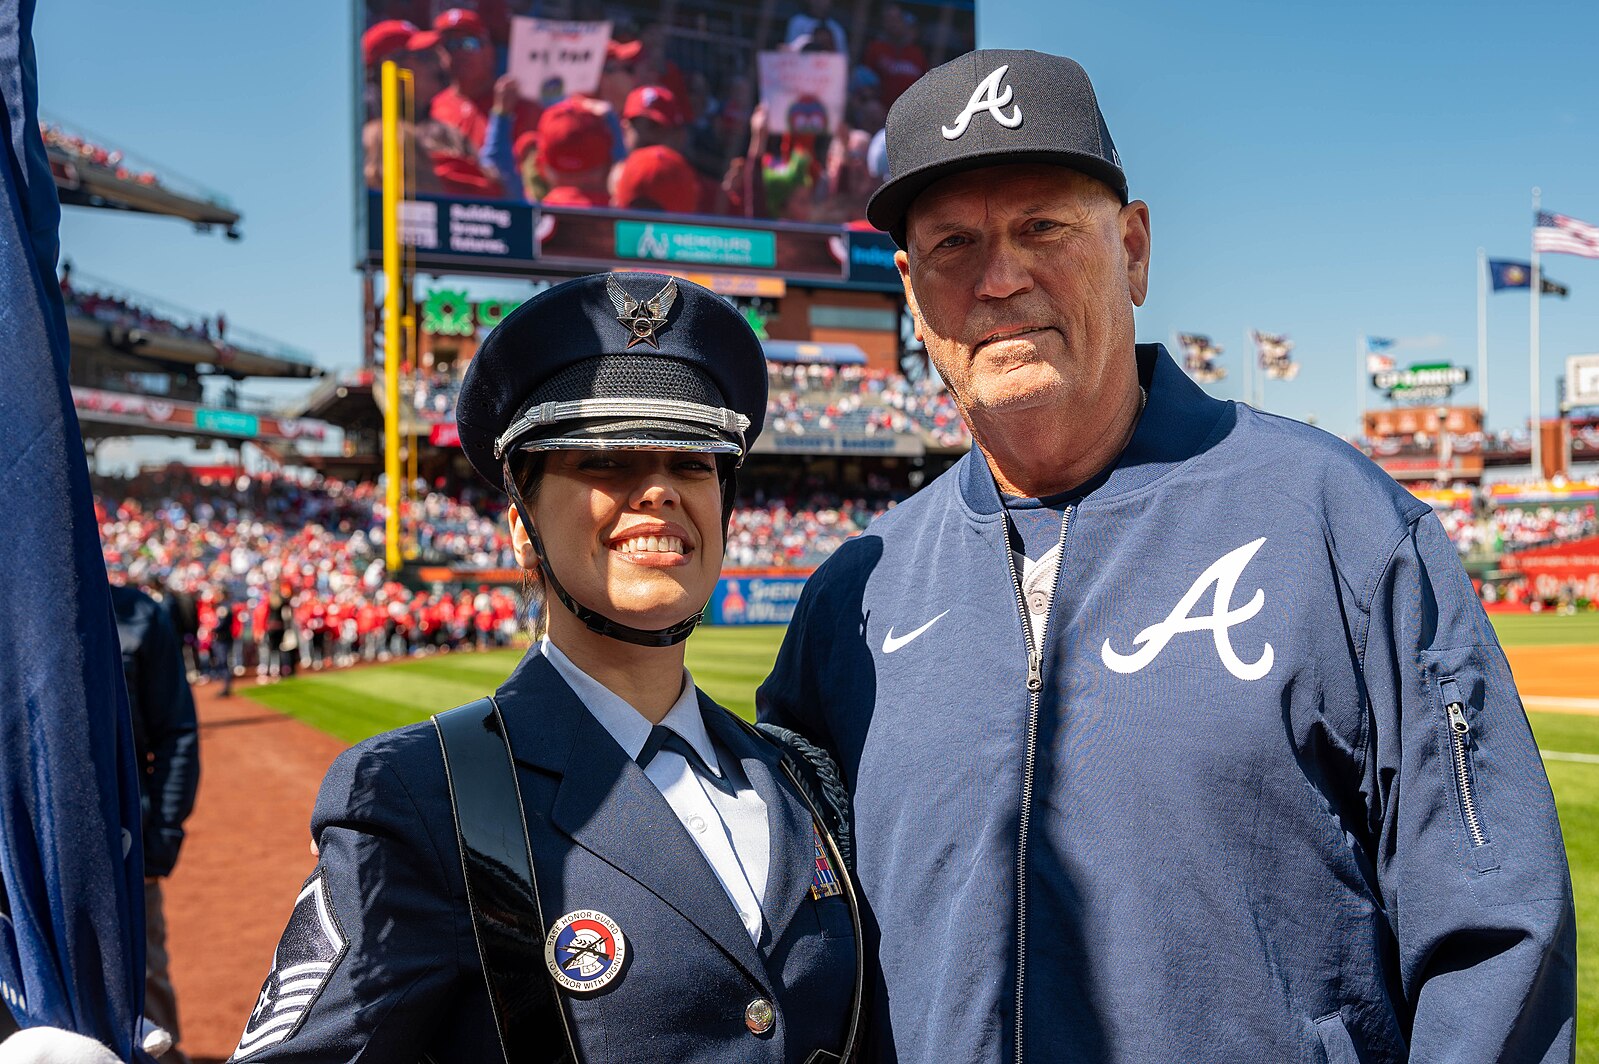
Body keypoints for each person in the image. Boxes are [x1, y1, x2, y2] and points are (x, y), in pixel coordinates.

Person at [758, 49, 1576, 1063]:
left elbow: (1496, 946)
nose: (1000, 276)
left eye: (1042, 227)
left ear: (1134, 249)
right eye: (954, 243)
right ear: (912, 292)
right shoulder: (856, 593)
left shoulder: (1342, 526)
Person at [228, 272, 863, 1063]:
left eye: (694, 462)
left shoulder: (801, 780)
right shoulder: (426, 796)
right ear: (522, 527)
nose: (661, 489)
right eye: (607, 461)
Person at [110, 582, 200, 1064]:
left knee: (146, 991)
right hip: (17, 859)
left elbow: (176, 733)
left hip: (123, 849)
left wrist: (160, 836)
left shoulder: (137, 613)